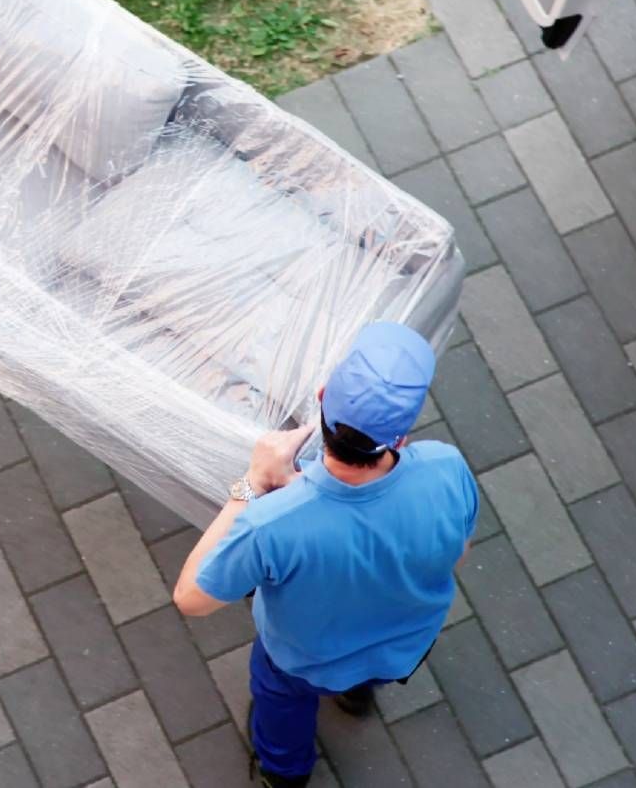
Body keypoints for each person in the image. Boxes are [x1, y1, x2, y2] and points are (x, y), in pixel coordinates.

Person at [173, 321, 477, 787]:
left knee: (281, 703)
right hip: (404, 642)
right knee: (365, 672)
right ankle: (357, 695)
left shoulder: (270, 522)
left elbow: (191, 598)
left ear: (320, 399)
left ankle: (285, 774)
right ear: (399, 438)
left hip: (304, 659)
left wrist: (250, 485)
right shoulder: (446, 468)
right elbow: (458, 554)